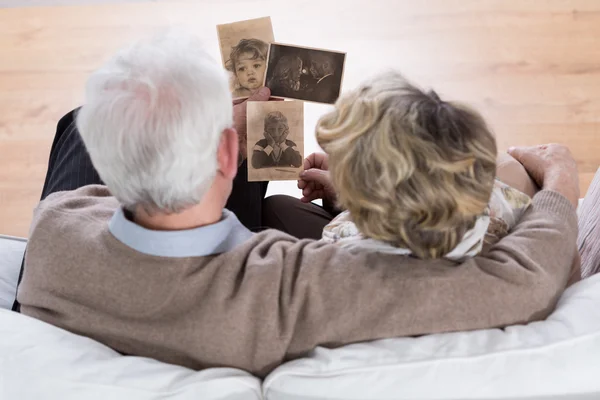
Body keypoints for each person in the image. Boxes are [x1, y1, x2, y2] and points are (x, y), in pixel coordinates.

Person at [15, 32, 580, 379]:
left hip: (118, 260)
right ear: (228, 152)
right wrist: (558, 184)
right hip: (236, 286)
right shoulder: (306, 289)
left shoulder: (54, 235)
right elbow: (521, 281)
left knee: (78, 123)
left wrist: (213, 133)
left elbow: (86, 195)